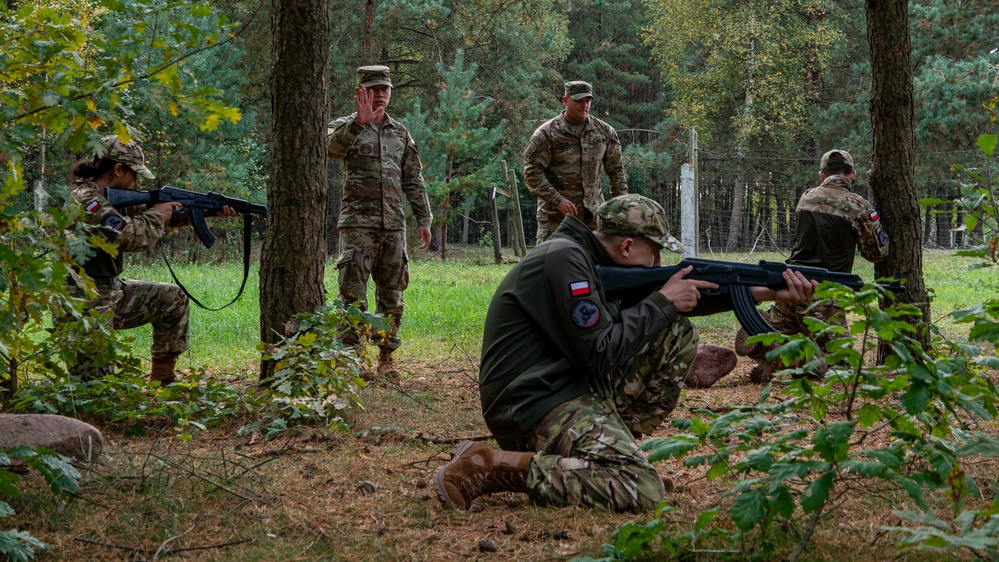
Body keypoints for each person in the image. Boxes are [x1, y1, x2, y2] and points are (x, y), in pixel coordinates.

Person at [433, 194, 816, 512]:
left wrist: (768, 291)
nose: (658, 267)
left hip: (565, 388)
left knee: (676, 332)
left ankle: (603, 461)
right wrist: (663, 302)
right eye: (654, 256)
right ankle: (490, 464)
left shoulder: (588, 260)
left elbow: (690, 296)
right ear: (628, 246)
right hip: (532, 402)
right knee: (642, 489)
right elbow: (598, 354)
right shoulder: (565, 259)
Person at [66, 135, 236, 383]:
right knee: (93, 389)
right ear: (117, 169)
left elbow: (150, 214)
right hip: (82, 299)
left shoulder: (110, 197)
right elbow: (127, 235)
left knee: (172, 298)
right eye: (134, 175)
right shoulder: (88, 200)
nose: (135, 182)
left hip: (110, 290)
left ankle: (162, 381)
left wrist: (207, 210)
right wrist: (158, 214)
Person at [735, 149, 890, 382]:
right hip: (824, 293)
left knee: (781, 332)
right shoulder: (858, 206)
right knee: (839, 366)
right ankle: (798, 361)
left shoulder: (806, 198)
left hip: (789, 284)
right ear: (853, 175)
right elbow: (877, 254)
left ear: (821, 175)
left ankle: (769, 345)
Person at [327, 65, 433, 379]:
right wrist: (358, 124)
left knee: (392, 296)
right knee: (352, 295)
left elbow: (414, 179)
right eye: (375, 89)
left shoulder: (400, 132)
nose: (381, 95)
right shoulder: (344, 127)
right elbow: (330, 148)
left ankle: (386, 358)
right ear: (361, 92)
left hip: (393, 227)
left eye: (386, 89)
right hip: (358, 226)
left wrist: (423, 218)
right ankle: (352, 360)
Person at [524, 80, 628, 244]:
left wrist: (621, 209)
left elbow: (616, 172)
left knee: (594, 265)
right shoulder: (547, 134)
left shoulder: (604, 132)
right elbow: (532, 172)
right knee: (552, 265)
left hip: (593, 218)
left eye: (587, 101)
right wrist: (558, 200)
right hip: (557, 218)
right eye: (578, 101)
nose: (584, 105)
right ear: (565, 101)